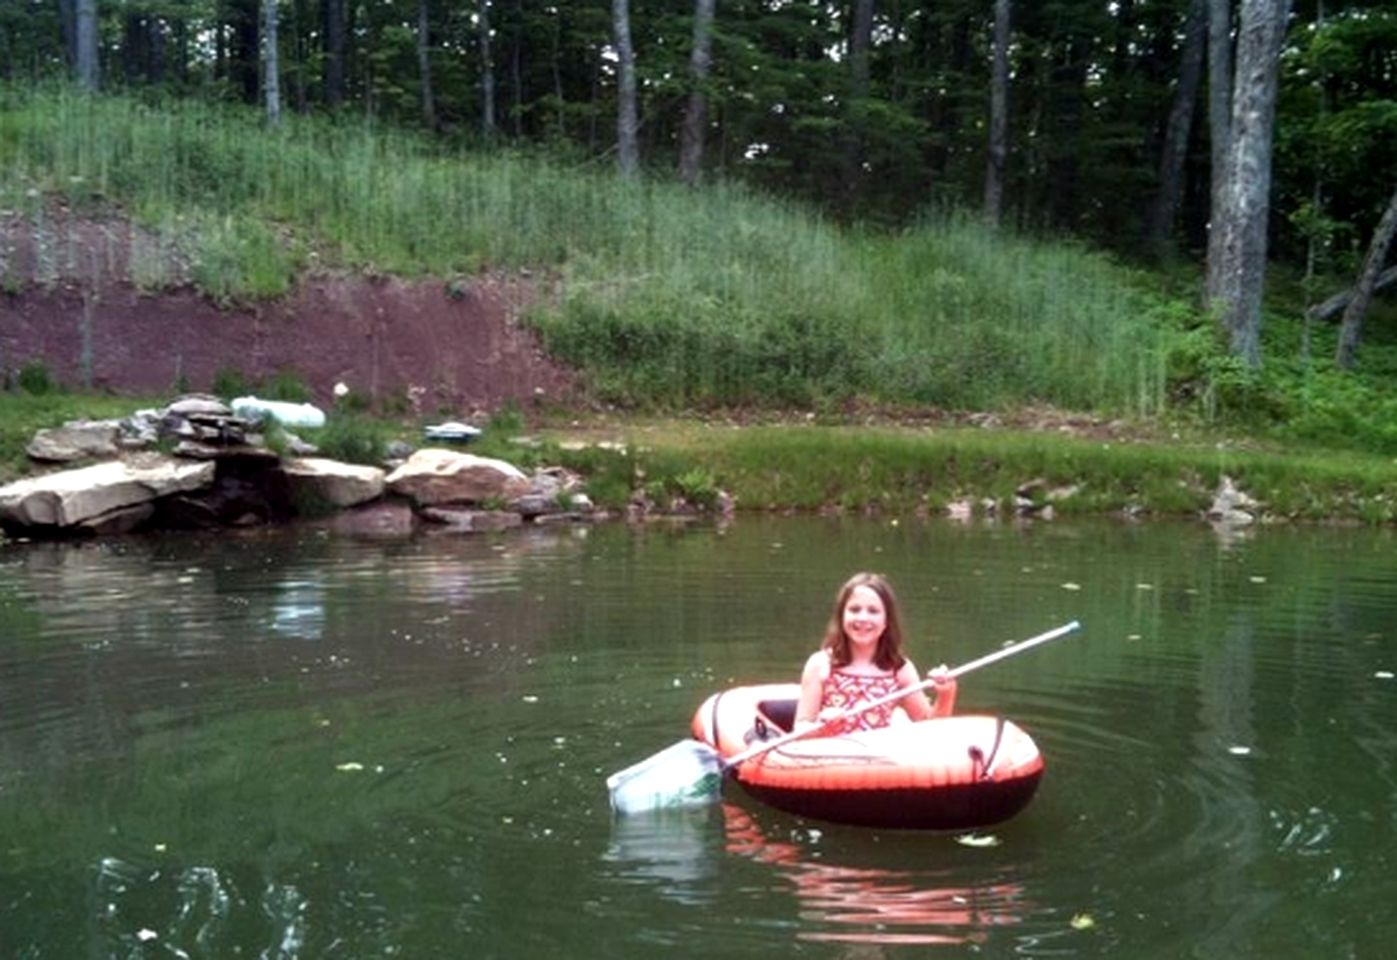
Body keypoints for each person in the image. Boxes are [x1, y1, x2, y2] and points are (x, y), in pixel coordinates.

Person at [794, 572, 957, 733]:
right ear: (842, 616)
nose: (863, 618)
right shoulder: (820, 665)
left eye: (873, 611)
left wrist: (946, 694)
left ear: (886, 621)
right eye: (854, 609)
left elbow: (929, 727)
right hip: (830, 756)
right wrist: (822, 728)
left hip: (877, 757)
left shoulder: (899, 668)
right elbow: (800, 727)